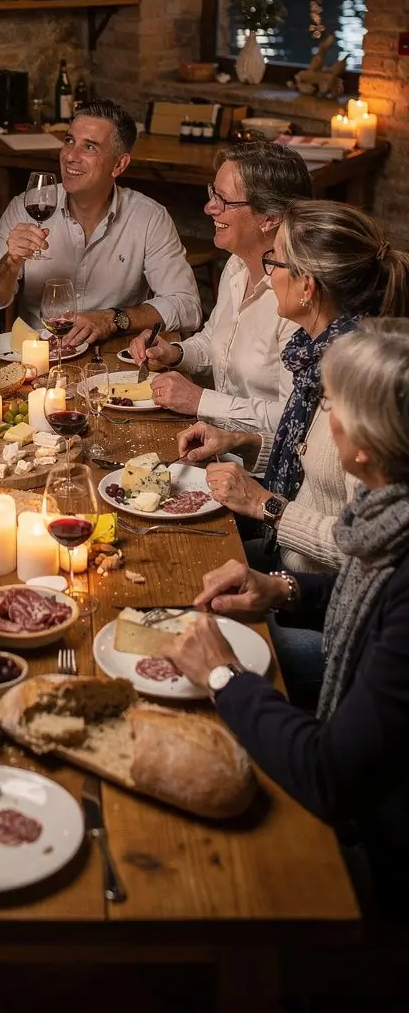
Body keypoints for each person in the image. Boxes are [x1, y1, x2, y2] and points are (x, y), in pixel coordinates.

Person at [172, 320, 409, 917]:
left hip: (381, 853)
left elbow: (328, 773)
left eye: (332, 406)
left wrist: (224, 676)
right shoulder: (386, 518)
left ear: (363, 447)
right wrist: (279, 588)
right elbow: (362, 591)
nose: (321, 422)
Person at [178, 202, 409, 575]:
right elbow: (313, 464)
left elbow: (367, 550)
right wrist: (241, 441)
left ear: (307, 286)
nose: (268, 275)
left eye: (275, 261)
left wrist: (263, 505)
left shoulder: (357, 384)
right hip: (283, 553)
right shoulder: (314, 352)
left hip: (311, 584)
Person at [0, 99, 201, 344]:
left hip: (112, 354)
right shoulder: (25, 208)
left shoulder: (149, 218)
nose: (70, 156)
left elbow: (187, 306)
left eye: (89, 147)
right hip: (39, 354)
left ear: (119, 164)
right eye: (69, 141)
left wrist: (112, 319)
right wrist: (10, 262)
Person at [128, 141, 312, 435]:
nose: (209, 208)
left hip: (257, 458)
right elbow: (215, 340)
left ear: (270, 218)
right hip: (214, 442)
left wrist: (199, 400)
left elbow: (296, 418)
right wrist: (174, 353)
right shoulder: (237, 265)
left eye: (223, 200)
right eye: (212, 194)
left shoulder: (300, 298)